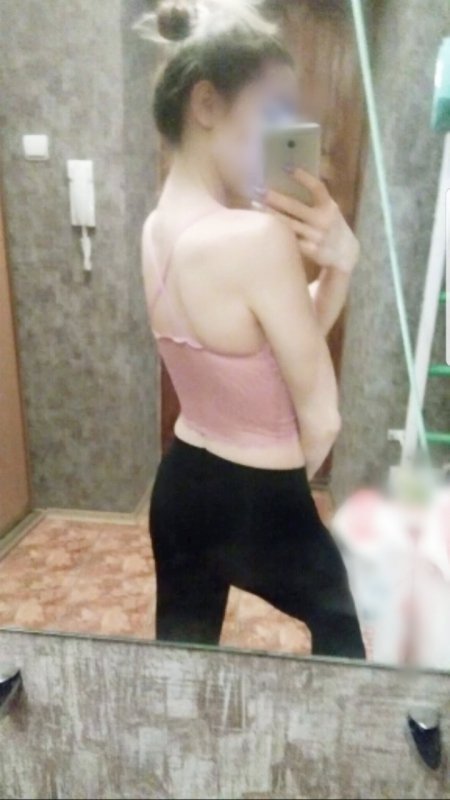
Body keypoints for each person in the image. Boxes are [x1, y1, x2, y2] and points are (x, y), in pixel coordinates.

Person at [140, 0, 365, 658]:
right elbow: (322, 416)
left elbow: (268, 348)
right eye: (271, 113)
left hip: (180, 489)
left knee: (182, 672)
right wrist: (279, 496)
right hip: (261, 501)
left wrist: (338, 269)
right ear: (207, 104)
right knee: (344, 649)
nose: (280, 136)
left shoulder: (156, 229)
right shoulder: (255, 238)